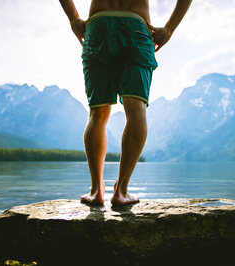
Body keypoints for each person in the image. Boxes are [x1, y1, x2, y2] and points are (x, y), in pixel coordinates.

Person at [59, 0, 192, 206]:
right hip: (136, 26)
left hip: (99, 25)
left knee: (97, 113)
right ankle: (121, 191)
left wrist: (73, 18)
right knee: (136, 108)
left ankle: (96, 191)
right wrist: (169, 29)